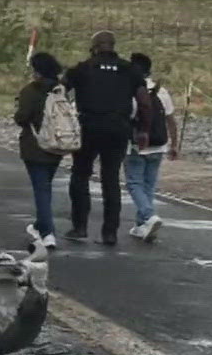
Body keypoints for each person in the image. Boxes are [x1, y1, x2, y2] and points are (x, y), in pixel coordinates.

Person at [61, 30, 152, 245]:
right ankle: (109, 232)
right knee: (110, 179)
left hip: (88, 126)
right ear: (113, 46)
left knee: (80, 175)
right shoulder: (130, 70)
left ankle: (80, 226)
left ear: (93, 47)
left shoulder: (82, 69)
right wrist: (143, 130)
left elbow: (59, 91)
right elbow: (145, 102)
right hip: (118, 128)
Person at [124, 52, 179, 242]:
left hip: (137, 145)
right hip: (159, 145)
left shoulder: (131, 90)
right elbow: (170, 119)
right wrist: (174, 144)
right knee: (148, 185)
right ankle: (142, 225)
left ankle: (148, 216)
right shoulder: (161, 91)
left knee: (134, 183)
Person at [14, 51, 65, 251]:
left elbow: (21, 118)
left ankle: (47, 233)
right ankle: (39, 225)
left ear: (37, 70)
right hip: (58, 145)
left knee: (41, 189)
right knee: (45, 187)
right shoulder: (60, 90)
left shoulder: (30, 91)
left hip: (35, 146)